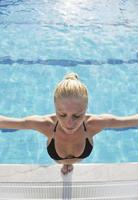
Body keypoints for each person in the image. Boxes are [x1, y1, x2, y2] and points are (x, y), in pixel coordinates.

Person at [0, 72, 138, 175]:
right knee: (62, 161)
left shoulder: (92, 125)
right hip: (58, 156)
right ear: (54, 108)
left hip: (77, 155)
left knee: (68, 162)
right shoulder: (47, 125)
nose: (69, 124)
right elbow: (9, 123)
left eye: (77, 116)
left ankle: (68, 164)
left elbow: (130, 120)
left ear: (86, 109)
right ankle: (66, 164)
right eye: (62, 114)